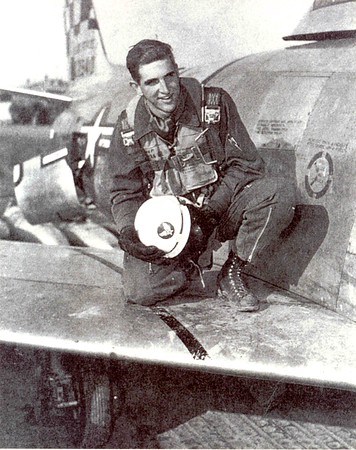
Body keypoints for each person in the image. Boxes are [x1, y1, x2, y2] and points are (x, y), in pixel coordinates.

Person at [108, 39, 296, 311]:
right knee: (140, 291)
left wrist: (210, 213)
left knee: (277, 193)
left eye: (169, 76)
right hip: (170, 227)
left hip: (216, 212)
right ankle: (186, 267)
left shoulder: (214, 105)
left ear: (177, 71)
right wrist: (128, 230)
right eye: (151, 83)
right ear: (136, 87)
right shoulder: (127, 129)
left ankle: (233, 272)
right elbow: (124, 191)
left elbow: (247, 165)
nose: (165, 90)